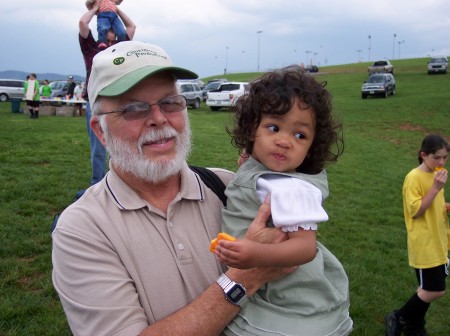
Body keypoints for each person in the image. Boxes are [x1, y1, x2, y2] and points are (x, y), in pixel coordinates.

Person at [52, 40, 292, 336]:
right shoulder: (81, 230)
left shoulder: (227, 188)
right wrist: (245, 278)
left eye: (170, 103)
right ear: (101, 131)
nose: (158, 119)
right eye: (133, 109)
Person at [213, 65, 353, 336]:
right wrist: (248, 160)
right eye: (274, 127)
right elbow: (253, 171)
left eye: (300, 135)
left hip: (291, 306)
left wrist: (255, 253)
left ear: (312, 145)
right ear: (253, 129)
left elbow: (305, 248)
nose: (284, 141)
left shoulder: (289, 188)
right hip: (271, 293)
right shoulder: (264, 169)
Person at [386, 134, 450, 336]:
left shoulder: (435, 175)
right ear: (423, 155)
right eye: (436, 157)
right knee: (435, 289)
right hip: (424, 242)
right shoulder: (414, 177)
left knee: (427, 288)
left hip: (439, 240)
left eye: (445, 158)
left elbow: (433, 206)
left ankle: (414, 325)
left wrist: (446, 207)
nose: (441, 162)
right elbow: (417, 211)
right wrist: (436, 188)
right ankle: (399, 316)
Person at [79, 2, 136, 185]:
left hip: (118, 101)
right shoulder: (92, 47)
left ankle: (118, 182)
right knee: (98, 147)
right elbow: (82, 23)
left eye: (114, 26)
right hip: (95, 102)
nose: (111, 29)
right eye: (109, 26)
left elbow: (131, 26)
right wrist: (97, 8)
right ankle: (97, 183)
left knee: (120, 144)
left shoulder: (122, 48)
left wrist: (114, 9)